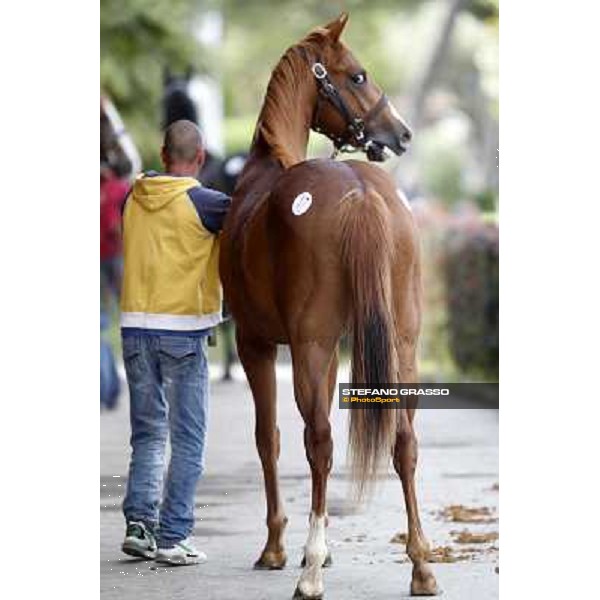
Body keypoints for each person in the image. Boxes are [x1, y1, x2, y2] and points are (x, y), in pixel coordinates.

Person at [119, 120, 231, 565]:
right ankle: (173, 536)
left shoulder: (133, 197)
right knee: (188, 438)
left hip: (133, 330)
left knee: (147, 434)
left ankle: (140, 528)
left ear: (163, 155)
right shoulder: (208, 203)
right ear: (199, 158)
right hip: (182, 334)